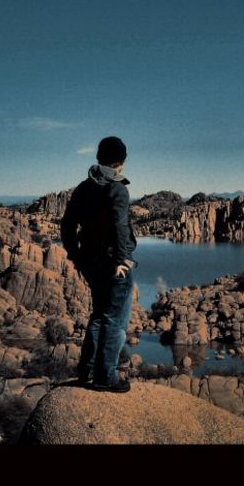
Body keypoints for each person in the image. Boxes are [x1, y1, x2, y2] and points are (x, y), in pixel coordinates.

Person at [60, 136, 138, 392]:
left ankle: (87, 371)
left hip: (91, 262)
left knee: (99, 315)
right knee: (115, 321)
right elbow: (120, 226)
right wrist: (122, 260)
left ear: (98, 157)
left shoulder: (84, 187)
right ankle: (106, 377)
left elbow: (67, 224)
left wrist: (76, 255)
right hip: (114, 263)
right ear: (122, 161)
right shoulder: (117, 189)